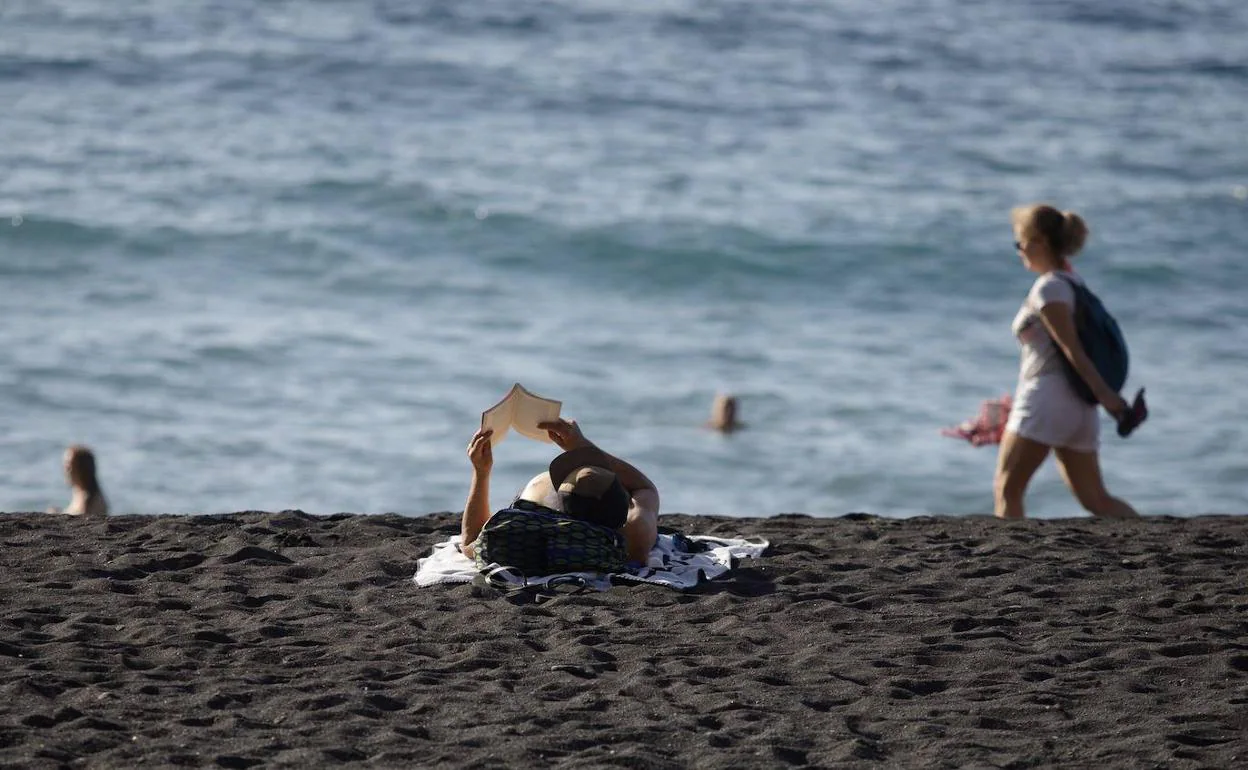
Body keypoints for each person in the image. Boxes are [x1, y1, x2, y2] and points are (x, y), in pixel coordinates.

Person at [994, 204, 1139, 520]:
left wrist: (1109, 400)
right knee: (1097, 500)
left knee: (1007, 490)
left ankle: (1013, 564)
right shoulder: (1073, 283)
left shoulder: (1050, 288)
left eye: (1021, 242)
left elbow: (1072, 350)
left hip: (1048, 401)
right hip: (1079, 410)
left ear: (1041, 243)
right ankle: (1158, 545)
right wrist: (1104, 401)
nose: (1019, 250)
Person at [461, 418, 660, 564]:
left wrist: (481, 472)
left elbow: (471, 540)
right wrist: (581, 445)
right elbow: (645, 487)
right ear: (625, 504)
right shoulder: (635, 535)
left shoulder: (531, 516)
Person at [49, 445, 109, 517]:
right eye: (65, 466)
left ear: (82, 469)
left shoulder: (90, 503)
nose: (66, 471)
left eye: (69, 467)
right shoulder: (79, 492)